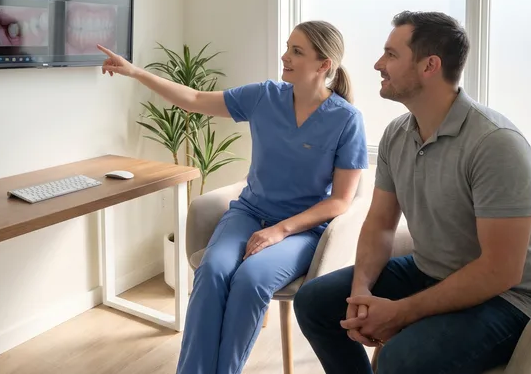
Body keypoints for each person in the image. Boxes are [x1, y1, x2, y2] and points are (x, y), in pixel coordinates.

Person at [96, 20, 368, 374]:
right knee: (212, 271)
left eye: (296, 51)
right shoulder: (264, 96)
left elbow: (340, 201)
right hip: (249, 213)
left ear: (323, 65)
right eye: (287, 46)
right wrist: (135, 73)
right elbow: (193, 100)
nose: (284, 56)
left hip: (301, 230)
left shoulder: (346, 120)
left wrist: (281, 230)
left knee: (251, 279)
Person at [293, 11, 531, 374]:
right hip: (431, 270)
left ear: (429, 66)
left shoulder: (495, 144)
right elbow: (380, 224)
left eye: (391, 54)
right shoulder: (397, 134)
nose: (377, 64)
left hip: (510, 298)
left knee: (401, 357)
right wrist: (362, 294)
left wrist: (400, 313)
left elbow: (501, 270)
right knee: (315, 302)